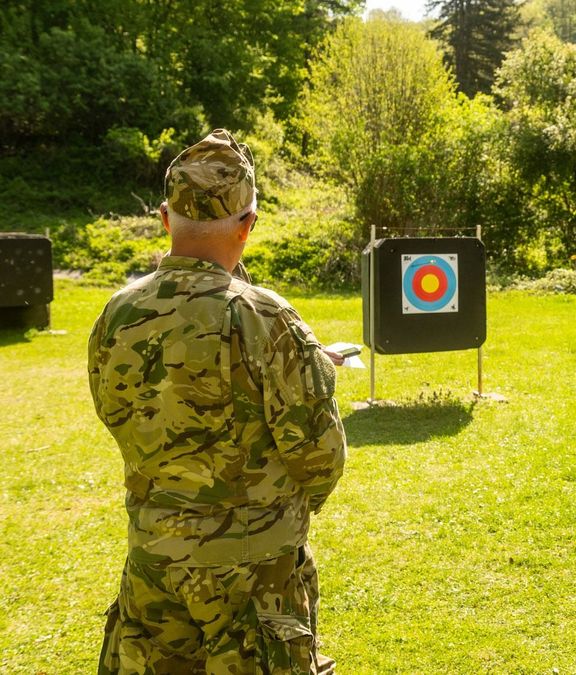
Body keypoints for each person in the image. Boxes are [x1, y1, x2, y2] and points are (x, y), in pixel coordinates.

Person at [88, 129, 347, 673]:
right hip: (256, 577)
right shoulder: (264, 317)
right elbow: (320, 456)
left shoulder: (118, 312)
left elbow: (115, 414)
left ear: (164, 218)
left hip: (154, 562)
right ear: (248, 224)